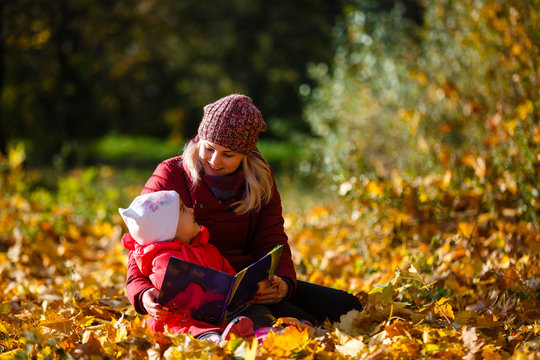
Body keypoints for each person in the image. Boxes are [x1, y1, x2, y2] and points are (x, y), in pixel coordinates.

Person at [125, 94, 363, 332]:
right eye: (208, 148)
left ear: (245, 154)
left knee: (348, 307)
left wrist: (283, 283)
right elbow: (141, 245)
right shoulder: (171, 174)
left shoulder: (260, 179)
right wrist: (143, 293)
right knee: (289, 323)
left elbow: (272, 238)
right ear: (199, 140)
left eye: (228, 154)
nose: (215, 161)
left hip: (250, 286)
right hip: (199, 293)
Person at [119, 190, 255, 343]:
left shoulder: (207, 248)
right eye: (183, 209)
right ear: (171, 228)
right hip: (183, 322)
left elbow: (229, 275)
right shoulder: (164, 261)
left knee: (254, 313)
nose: (192, 210)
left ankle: (260, 333)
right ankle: (217, 342)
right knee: (196, 331)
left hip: (220, 313)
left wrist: (244, 286)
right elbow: (180, 298)